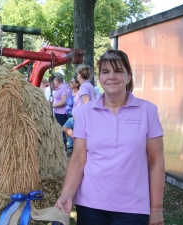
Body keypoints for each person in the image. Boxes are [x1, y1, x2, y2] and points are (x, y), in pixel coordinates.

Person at [55, 50, 165, 225]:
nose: (112, 76)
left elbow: (156, 161)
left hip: (133, 208)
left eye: (118, 71)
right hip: (90, 205)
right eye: (106, 72)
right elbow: (78, 159)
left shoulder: (148, 111)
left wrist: (156, 208)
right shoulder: (85, 112)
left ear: (128, 77)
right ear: (99, 78)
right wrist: (67, 195)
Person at [62, 65, 95, 143]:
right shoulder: (88, 85)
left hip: (79, 118)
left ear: (79, 75)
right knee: (66, 128)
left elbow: (85, 103)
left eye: (77, 74)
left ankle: (79, 143)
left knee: (66, 128)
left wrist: (80, 118)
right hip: (79, 117)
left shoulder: (84, 87)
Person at [52, 72, 71, 147]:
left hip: (62, 113)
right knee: (58, 131)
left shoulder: (65, 87)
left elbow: (64, 101)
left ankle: (63, 147)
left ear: (57, 80)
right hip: (57, 113)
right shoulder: (58, 88)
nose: (53, 82)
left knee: (62, 131)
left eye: (54, 80)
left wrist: (53, 106)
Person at [63, 76, 80, 151]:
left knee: (65, 127)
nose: (70, 83)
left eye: (72, 82)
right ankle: (72, 146)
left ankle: (79, 143)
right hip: (69, 114)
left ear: (77, 84)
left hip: (76, 116)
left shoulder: (79, 94)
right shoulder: (70, 92)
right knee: (70, 130)